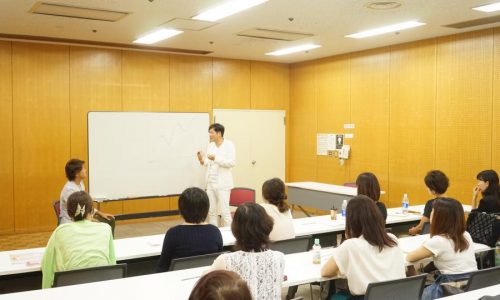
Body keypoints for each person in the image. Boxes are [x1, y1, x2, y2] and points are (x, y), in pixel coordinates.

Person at [321, 195, 406, 298]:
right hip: (397, 296)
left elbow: (325, 272)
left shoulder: (350, 245)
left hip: (366, 297)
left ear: (352, 222)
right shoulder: (392, 239)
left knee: (336, 297)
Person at [208, 202, 285, 300]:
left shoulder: (225, 260)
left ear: (235, 229)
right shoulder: (279, 257)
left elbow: (205, 282)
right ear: (267, 225)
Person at [407, 198, 477, 300]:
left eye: (432, 211)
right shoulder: (466, 235)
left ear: (439, 217)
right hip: (471, 285)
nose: (430, 213)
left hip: (449, 289)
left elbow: (410, 257)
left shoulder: (439, 241)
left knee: (411, 294)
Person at [41, 191, 116, 288]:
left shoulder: (60, 231)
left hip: (70, 290)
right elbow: (112, 262)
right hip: (100, 289)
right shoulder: (106, 228)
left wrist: (46, 293)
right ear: (92, 211)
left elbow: (47, 264)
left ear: (69, 213)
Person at [156, 187, 223, 272]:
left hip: (178, 281)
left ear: (181, 210)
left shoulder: (173, 234)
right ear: (207, 209)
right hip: (206, 281)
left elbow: (162, 267)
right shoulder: (214, 231)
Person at [197, 123, 236, 227]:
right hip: (210, 183)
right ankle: (214, 233)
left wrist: (216, 159)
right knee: (212, 212)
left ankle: (230, 235)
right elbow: (208, 162)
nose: (210, 134)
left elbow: (231, 163)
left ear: (219, 133)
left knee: (224, 212)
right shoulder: (211, 145)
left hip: (223, 184)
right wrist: (201, 159)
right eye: (209, 132)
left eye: (211, 132)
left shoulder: (229, 145)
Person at [59, 159, 115, 231]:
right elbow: (77, 212)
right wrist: (91, 220)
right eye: (83, 168)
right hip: (72, 222)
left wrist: (100, 213)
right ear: (77, 173)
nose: (86, 170)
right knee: (102, 226)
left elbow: (84, 205)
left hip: (83, 217)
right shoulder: (69, 190)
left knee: (110, 220)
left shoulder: (80, 183)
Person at [409, 170, 449, 235]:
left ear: (433, 190)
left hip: (435, 237)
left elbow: (421, 227)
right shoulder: (455, 203)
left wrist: (412, 231)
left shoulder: (432, 204)